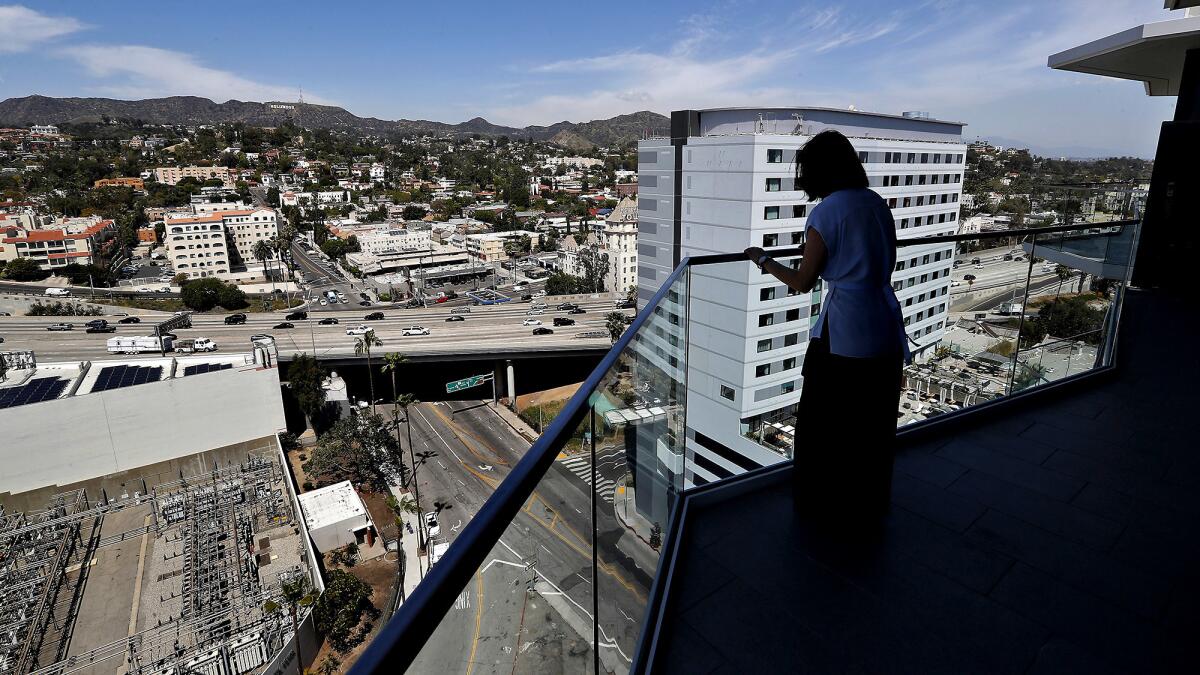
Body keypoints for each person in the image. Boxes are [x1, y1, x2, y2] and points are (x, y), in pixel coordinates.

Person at [744, 130, 909, 523]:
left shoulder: (827, 212)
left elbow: (803, 282)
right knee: (872, 423)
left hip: (844, 330)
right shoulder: (876, 204)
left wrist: (763, 260)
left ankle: (820, 506)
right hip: (885, 322)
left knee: (823, 424)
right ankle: (867, 501)